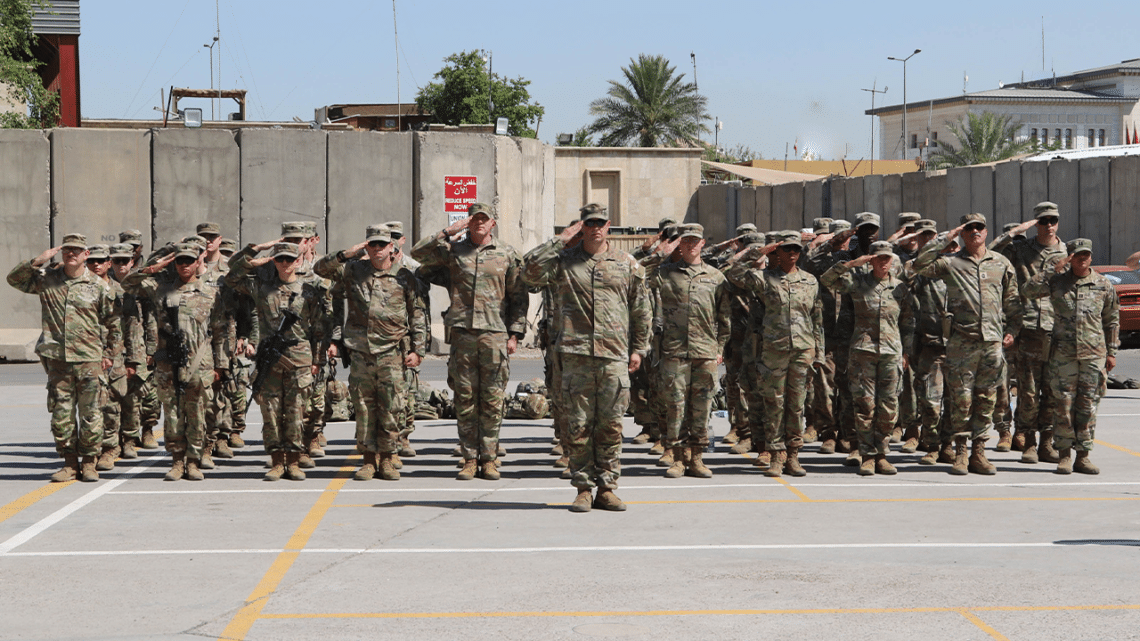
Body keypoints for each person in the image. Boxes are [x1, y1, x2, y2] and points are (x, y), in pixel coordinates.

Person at [523, 203, 651, 512]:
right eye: (588, 223)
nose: (595, 228)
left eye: (600, 223)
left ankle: (607, 488)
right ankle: (582, 488)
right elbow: (528, 272)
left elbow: (641, 308)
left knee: (611, 425)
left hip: (614, 356)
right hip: (576, 356)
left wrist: (639, 347)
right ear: (582, 226)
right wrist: (561, 238)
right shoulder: (563, 261)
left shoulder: (626, 264)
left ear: (609, 225)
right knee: (577, 426)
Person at [412, 203, 528, 480]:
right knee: (464, 398)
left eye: (484, 220)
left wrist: (515, 334)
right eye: (474, 219)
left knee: (492, 398)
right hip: (463, 335)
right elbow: (418, 254)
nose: (479, 223)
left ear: (493, 224)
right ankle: (469, 458)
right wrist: (449, 231)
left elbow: (518, 295)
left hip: (495, 335)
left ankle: (489, 458)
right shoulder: (454, 252)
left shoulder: (507, 254)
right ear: (468, 222)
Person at [315, 225, 427, 482]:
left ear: (392, 247)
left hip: (391, 351)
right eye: (372, 244)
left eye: (381, 245)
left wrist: (418, 349)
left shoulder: (405, 277)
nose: (377, 249)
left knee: (391, 405)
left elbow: (417, 314)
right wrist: (347, 253)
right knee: (364, 407)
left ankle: (387, 458)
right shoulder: (353, 271)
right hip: (361, 352)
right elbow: (320, 269)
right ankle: (367, 459)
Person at [913, 213, 1021, 475]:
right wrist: (945, 237)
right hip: (962, 342)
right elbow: (920, 265)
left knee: (986, 399)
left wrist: (1013, 330)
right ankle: (961, 452)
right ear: (962, 233)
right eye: (969, 228)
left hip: (992, 343)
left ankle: (979, 453)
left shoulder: (1001, 263)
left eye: (979, 228)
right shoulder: (951, 263)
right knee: (961, 400)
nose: (975, 232)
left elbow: (1013, 300)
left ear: (986, 232)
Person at [8, 233, 119, 482]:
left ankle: (89, 462)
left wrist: (110, 354)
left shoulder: (99, 286)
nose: (71, 254)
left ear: (86, 255)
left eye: (77, 250)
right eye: (67, 250)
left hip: (89, 358)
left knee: (91, 413)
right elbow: (14, 279)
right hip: (58, 359)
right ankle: (70, 464)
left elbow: (113, 322)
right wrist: (38, 260)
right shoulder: (47, 280)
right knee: (62, 414)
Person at [122, 242, 228, 481]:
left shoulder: (210, 292)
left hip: (199, 365)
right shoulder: (161, 289)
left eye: (188, 261)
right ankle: (177, 462)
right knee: (172, 416)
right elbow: (127, 283)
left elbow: (221, 330)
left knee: (197, 415)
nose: (184, 266)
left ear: (198, 261)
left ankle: (193, 461)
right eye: (179, 261)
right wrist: (157, 265)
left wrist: (221, 365)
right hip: (168, 363)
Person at [726, 231, 824, 477]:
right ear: (778, 252)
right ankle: (776, 456)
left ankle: (793, 456)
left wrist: (819, 352)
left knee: (797, 405)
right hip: (773, 351)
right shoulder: (765, 278)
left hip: (802, 350)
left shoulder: (810, 281)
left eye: (796, 249)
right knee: (774, 404)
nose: (792, 253)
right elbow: (733, 272)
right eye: (787, 249)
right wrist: (761, 251)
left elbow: (817, 319)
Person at [226, 240, 327, 481]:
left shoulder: (309, 290)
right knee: (270, 413)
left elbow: (319, 329)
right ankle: (276, 462)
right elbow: (232, 277)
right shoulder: (262, 287)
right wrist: (256, 254)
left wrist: (317, 360)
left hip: (299, 358)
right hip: (270, 358)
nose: (284, 264)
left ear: (298, 261)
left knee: (295, 412)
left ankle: (293, 461)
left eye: (289, 259)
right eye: (279, 259)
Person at [1022, 239, 1118, 474]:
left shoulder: (1103, 285)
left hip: (1093, 355)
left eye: (1086, 255)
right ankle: (1064, 455)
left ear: (1091, 258)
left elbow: (1112, 319)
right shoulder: (1057, 282)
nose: (1082, 259)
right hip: (1063, 355)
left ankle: (1083, 456)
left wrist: (1112, 351)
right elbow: (1028, 291)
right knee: (1063, 405)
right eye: (1077, 255)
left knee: (1088, 405)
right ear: (1070, 257)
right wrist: (1051, 268)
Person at [820, 241, 914, 475]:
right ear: (871, 260)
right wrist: (852, 264)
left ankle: (881, 454)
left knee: (889, 405)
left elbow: (908, 322)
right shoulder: (857, 283)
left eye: (887, 258)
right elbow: (827, 280)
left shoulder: (900, 288)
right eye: (878, 258)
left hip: (891, 353)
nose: (883, 262)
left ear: (892, 260)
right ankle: (867, 456)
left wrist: (906, 352)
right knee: (864, 406)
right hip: (863, 353)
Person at [649, 223, 731, 478]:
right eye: (685, 241)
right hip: (674, 351)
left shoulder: (716, 277)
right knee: (675, 407)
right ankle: (677, 459)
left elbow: (725, 318)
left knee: (702, 407)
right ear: (679, 243)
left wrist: (719, 349)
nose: (691, 245)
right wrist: (664, 249)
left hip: (705, 352)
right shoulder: (664, 273)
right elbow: (639, 271)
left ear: (703, 243)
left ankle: (696, 458)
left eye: (695, 241)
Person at [991, 202, 1067, 463]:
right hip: (1029, 329)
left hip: (1058, 331)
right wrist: (1014, 232)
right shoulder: (1022, 250)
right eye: (1043, 221)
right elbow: (991, 253)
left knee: (1053, 391)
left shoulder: (1068, 252)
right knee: (1028, 391)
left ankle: (1047, 442)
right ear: (1036, 223)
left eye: (1052, 220)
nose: (1048, 225)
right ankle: (1029, 442)